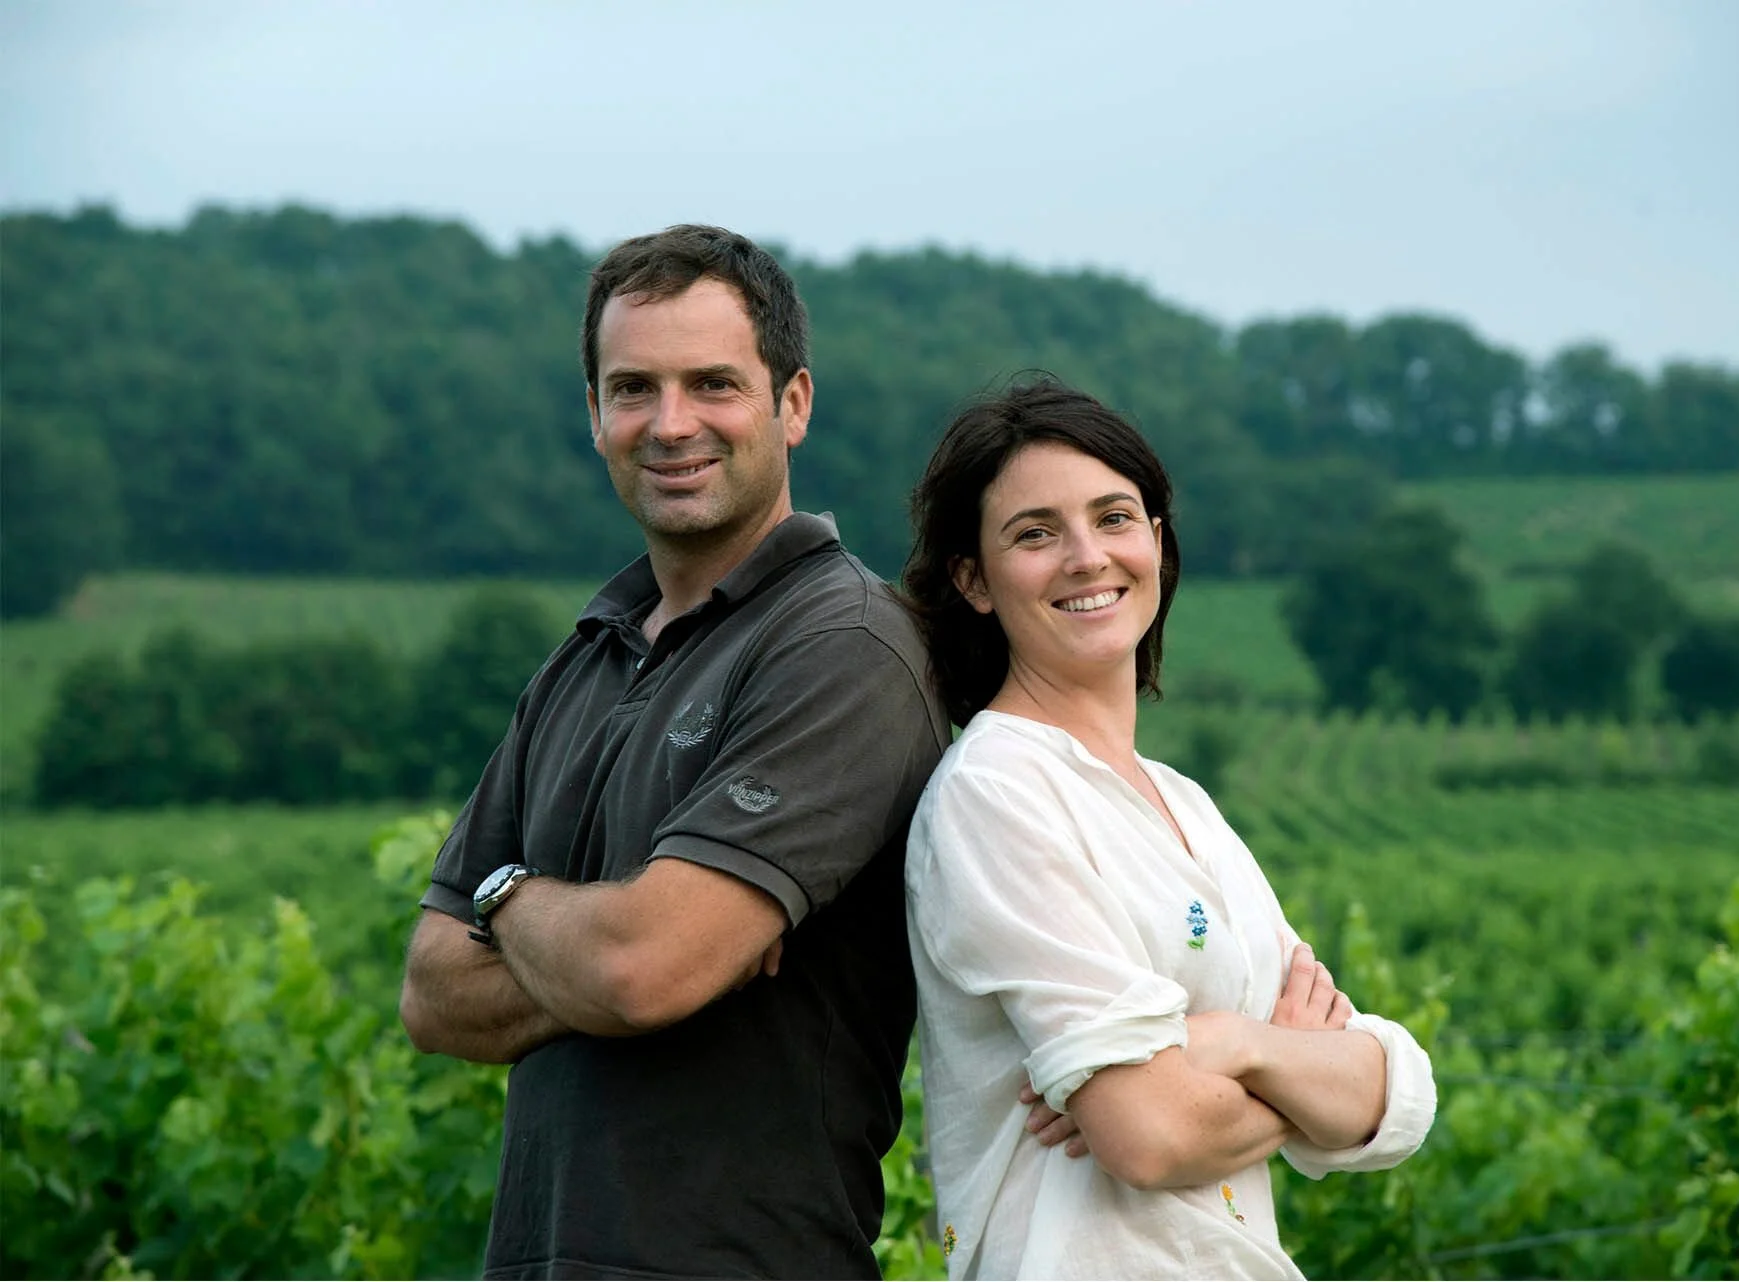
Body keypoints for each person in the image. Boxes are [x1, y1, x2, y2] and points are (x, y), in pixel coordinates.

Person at [398, 224, 949, 1280]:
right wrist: (605, 932)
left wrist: (511, 908)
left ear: (793, 403)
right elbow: (431, 994)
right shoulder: (582, 660)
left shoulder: (846, 645)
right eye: (634, 389)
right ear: (594, 415)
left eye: (713, 384)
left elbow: (645, 969)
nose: (672, 424)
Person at [899, 379, 1437, 1280]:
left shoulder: (1185, 805)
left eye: (1114, 518)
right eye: (1035, 534)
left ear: (1155, 539)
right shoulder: (997, 793)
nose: (1086, 558)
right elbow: (1149, 1135)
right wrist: (1292, 1065)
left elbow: (1390, 1099)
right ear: (973, 580)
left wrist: (1230, 1045)